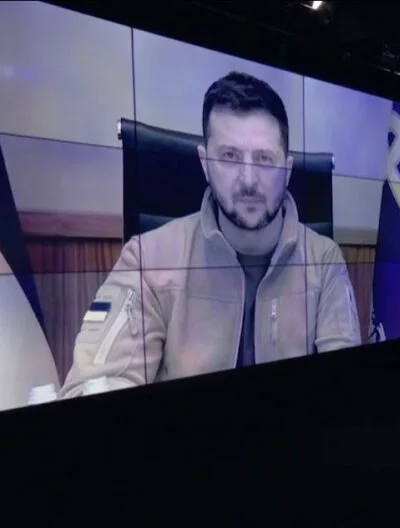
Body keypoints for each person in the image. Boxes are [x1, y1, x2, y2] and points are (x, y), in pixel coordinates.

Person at [59, 72, 362, 398]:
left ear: (287, 170)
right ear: (205, 163)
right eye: (229, 157)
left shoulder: (325, 260)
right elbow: (90, 386)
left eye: (264, 159)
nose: (249, 181)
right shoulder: (146, 258)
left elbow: (348, 388)